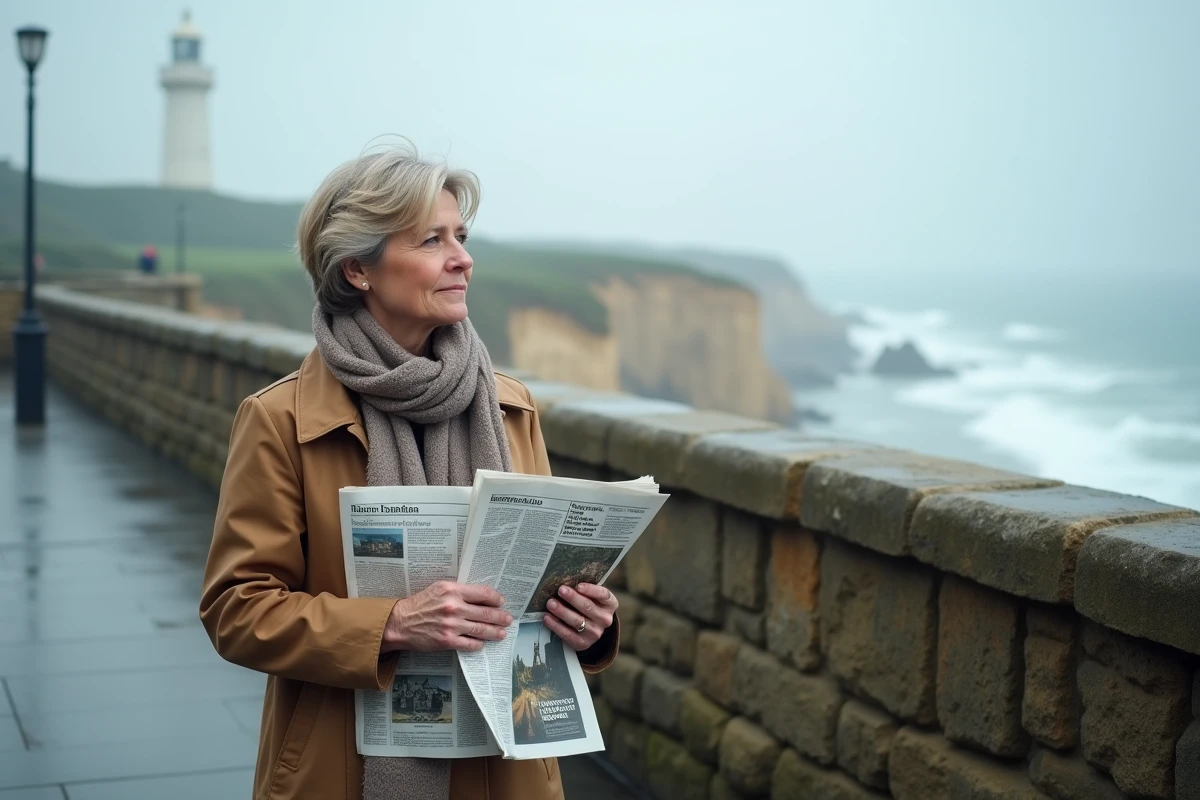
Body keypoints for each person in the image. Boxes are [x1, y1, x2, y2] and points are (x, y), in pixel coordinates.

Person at [199, 144, 621, 800]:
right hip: (347, 763)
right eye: (432, 240)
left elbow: (536, 588)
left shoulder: (512, 407)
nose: (462, 257)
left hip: (506, 766)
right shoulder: (281, 418)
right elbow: (236, 609)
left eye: (462, 235)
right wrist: (392, 624)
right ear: (357, 270)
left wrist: (589, 624)